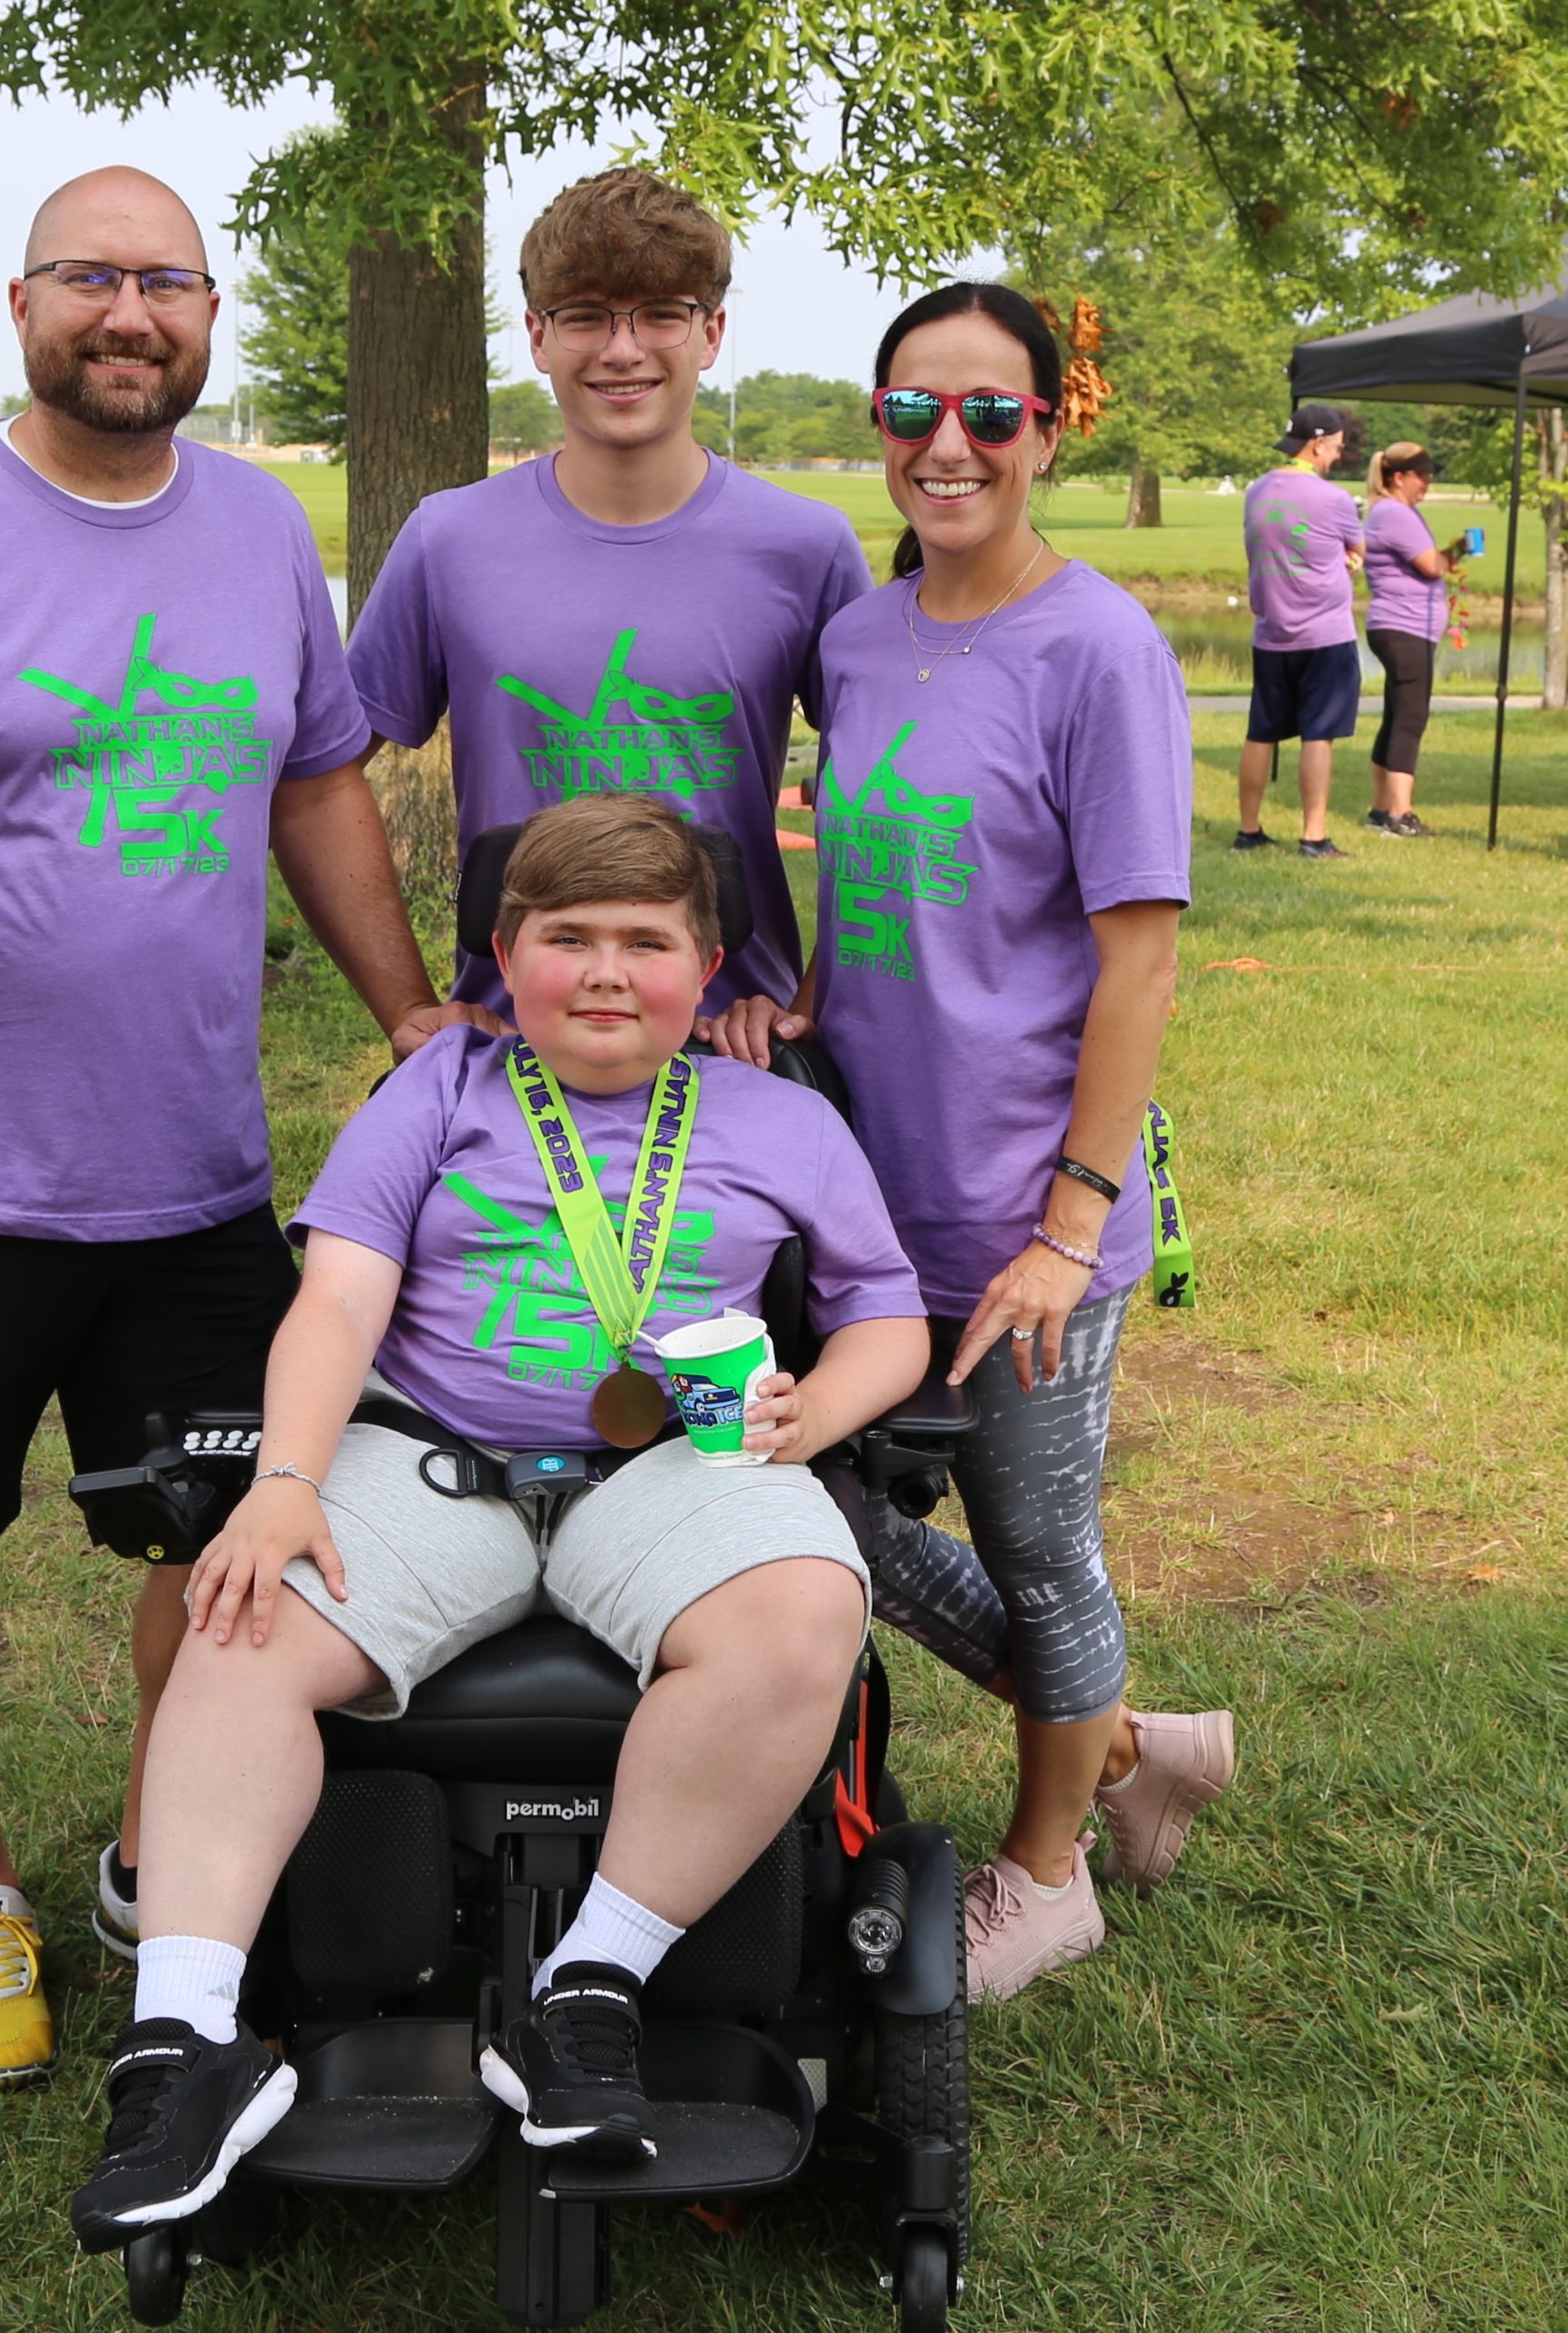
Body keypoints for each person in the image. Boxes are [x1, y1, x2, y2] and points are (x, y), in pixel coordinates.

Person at [0, 167, 484, 2095]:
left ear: (207, 315)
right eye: (90, 281)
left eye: (167, 284)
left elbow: (310, 789)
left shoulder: (253, 526)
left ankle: (152, 1841)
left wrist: (402, 1009)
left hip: (196, 1182)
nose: (130, 315)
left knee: (219, 1538)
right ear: (27, 305)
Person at [69, 794, 930, 2241]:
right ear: (503, 956)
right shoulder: (439, 1094)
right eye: (567, 938)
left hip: (675, 1464)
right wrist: (283, 1484)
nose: (605, 972)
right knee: (242, 1616)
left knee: (803, 1618)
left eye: (645, 942)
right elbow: (338, 1297)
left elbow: (887, 1319)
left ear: (705, 966)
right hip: (433, 1456)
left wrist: (815, 1414)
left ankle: (581, 1995)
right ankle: (186, 2045)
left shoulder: (783, 1120)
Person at [707, 283, 1234, 2000]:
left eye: (986, 414)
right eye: (910, 409)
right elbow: (880, 899)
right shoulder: (859, 638)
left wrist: (1069, 1220)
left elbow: (1136, 957)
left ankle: (1044, 1865)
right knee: (827, 1518)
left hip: (1026, 1209)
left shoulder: (1095, 648)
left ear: (1045, 431)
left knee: (1031, 1547)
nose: (944, 445)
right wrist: (780, 1007)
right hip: (868, 1194)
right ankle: (1131, 1740)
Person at [344, 167, 874, 1020]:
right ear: (537, 336)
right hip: (516, 1045)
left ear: (712, 332)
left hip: (731, 1043)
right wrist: (406, 1004)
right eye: (584, 316)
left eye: (662, 313)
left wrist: (803, 1006)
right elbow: (322, 781)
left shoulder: (805, 548)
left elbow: (889, 806)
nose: (622, 351)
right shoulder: (449, 540)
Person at [1234, 402, 1366, 859]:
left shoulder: (1256, 491)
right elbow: (1356, 550)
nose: (1337, 456)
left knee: (1261, 732)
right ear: (1318, 442)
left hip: (1270, 632)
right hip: (1325, 636)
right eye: (1336, 448)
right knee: (1318, 734)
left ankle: (1248, 831)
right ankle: (1313, 836)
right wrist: (1347, 562)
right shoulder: (1335, 500)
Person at [1361, 442, 1463, 838]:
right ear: (1398, 477)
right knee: (1410, 718)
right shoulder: (1393, 513)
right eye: (1421, 476)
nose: (1428, 483)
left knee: (1396, 716)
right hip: (1404, 628)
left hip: (1402, 627)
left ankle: (1381, 809)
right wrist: (1460, 549)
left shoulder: (1396, 511)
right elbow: (1431, 565)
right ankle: (1399, 816)